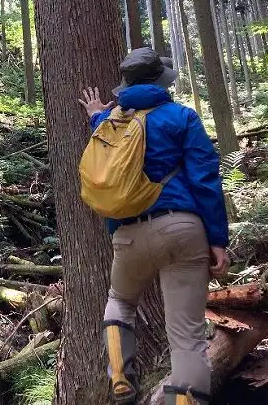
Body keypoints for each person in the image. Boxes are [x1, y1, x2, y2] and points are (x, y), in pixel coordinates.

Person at [78, 47, 230, 405]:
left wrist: (95, 113)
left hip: (127, 235)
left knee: (119, 301)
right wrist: (218, 240)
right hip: (183, 231)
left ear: (126, 83)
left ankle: (119, 376)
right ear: (161, 82)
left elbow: (105, 159)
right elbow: (205, 178)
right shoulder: (181, 117)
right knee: (188, 338)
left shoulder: (111, 122)